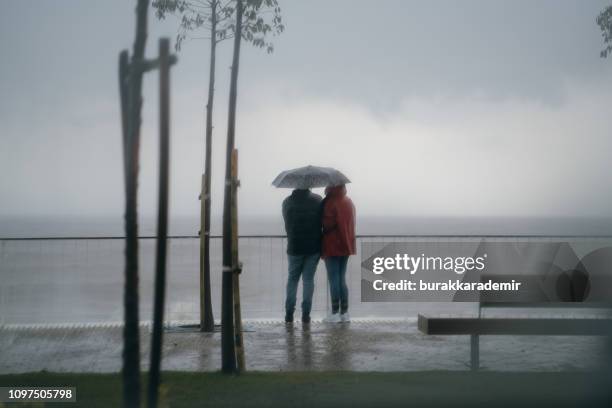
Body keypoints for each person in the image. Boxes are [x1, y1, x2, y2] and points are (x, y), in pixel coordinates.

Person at [282, 188, 323, 324]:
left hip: (294, 247)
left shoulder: (287, 202)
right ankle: (306, 314)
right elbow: (322, 222)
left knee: (292, 280)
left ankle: (289, 314)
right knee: (308, 281)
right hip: (313, 247)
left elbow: (287, 225)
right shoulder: (317, 200)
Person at [321, 184, 356, 323]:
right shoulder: (348, 201)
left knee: (333, 279)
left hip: (332, 245)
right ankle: (345, 313)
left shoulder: (330, 202)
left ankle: (334, 313)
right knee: (341, 278)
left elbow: (326, 224)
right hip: (346, 244)